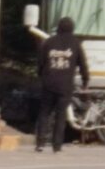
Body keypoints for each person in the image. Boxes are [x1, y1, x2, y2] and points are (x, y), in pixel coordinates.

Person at [35, 15, 89, 154]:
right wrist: (85, 80)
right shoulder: (75, 43)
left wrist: (41, 76)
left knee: (44, 113)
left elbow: (40, 63)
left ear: (58, 27)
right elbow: (82, 64)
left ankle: (40, 143)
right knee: (60, 116)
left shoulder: (48, 42)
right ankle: (57, 146)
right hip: (65, 85)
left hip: (49, 83)